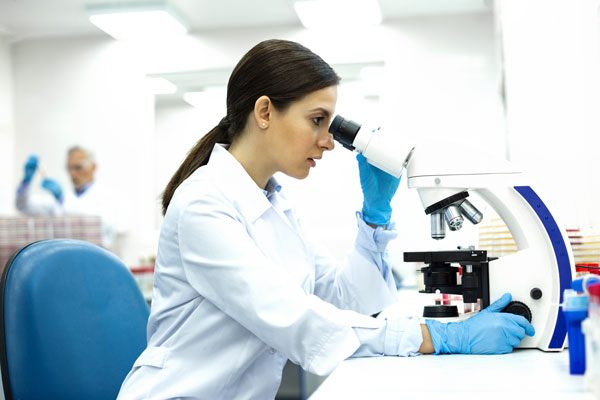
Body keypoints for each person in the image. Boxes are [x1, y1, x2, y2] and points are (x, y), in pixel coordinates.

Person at [117, 39, 534, 400]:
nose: (329, 141)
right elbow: (296, 320)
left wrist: (374, 219)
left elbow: (347, 299)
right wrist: (441, 338)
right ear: (265, 112)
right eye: (317, 120)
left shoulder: (275, 206)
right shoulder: (203, 206)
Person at [16, 146, 115, 248]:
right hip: (66, 257)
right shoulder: (64, 198)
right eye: (69, 168)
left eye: (78, 167)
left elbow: (96, 223)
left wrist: (62, 199)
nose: (72, 173)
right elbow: (24, 206)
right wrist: (26, 182)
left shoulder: (106, 196)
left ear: (93, 167)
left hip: (94, 259)